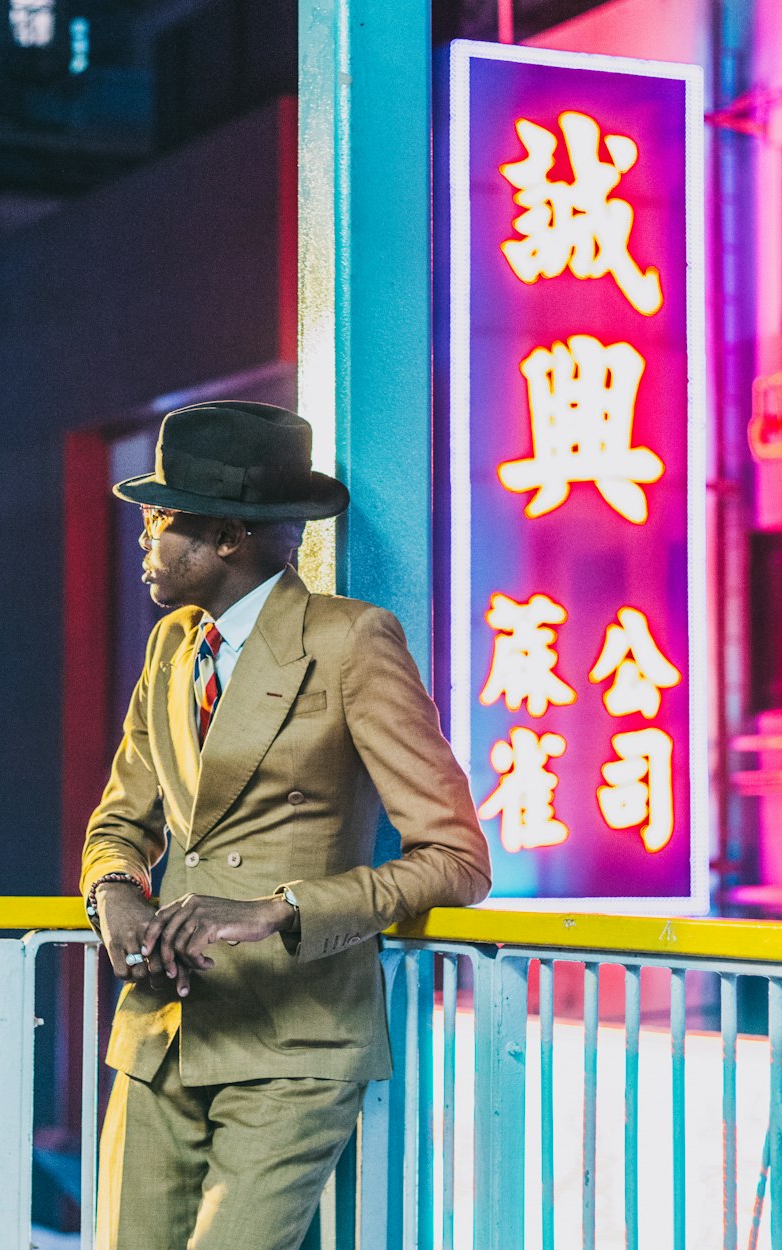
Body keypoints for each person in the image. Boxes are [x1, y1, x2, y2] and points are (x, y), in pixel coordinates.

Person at [80, 400, 491, 1250]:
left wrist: (280, 909)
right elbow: (120, 823)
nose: (142, 539)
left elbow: (456, 856)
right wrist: (115, 895)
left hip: (293, 1047)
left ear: (228, 537)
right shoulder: (170, 649)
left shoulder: (350, 645)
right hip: (159, 1034)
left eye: (161, 519)